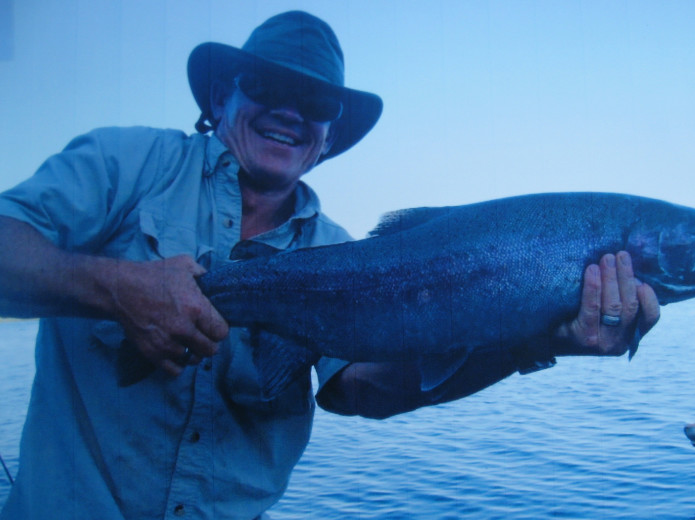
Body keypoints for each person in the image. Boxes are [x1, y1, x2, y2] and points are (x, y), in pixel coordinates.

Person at [0, 10, 659, 520]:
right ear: (221, 97)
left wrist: (532, 341)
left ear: (329, 135)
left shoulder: (343, 254)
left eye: (316, 103)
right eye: (266, 85)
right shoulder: (126, 165)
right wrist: (119, 290)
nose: (290, 109)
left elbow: (361, 391)